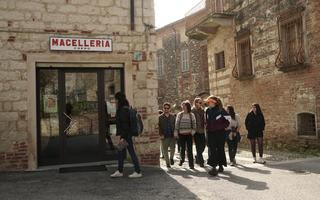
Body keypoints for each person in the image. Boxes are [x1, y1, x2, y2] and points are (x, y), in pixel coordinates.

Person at [110, 92, 142, 178]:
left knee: (131, 152)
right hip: (126, 135)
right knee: (120, 151)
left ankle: (137, 171)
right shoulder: (125, 108)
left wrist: (123, 137)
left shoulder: (123, 110)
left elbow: (125, 125)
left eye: (116, 99)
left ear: (119, 100)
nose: (115, 101)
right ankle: (120, 171)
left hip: (126, 135)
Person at [205, 96, 229, 176]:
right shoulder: (207, 111)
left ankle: (221, 165)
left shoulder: (221, 110)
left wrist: (221, 126)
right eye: (208, 102)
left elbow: (228, 121)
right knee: (212, 149)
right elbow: (207, 121)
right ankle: (214, 167)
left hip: (220, 133)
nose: (208, 103)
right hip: (211, 133)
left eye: (210, 102)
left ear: (214, 102)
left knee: (220, 149)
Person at [174, 100, 196, 169]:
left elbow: (194, 124)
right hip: (181, 134)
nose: (183, 107)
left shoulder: (191, 115)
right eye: (182, 106)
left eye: (184, 106)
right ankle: (182, 159)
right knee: (182, 148)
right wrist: (176, 132)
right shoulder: (179, 114)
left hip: (189, 134)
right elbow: (177, 124)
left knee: (190, 149)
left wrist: (193, 131)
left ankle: (191, 164)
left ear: (187, 107)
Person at [159, 102, 176, 168]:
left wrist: (175, 133)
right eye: (165, 108)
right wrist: (160, 134)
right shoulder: (160, 117)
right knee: (165, 150)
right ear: (163, 108)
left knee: (173, 149)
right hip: (164, 135)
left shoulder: (173, 117)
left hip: (172, 135)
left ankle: (171, 158)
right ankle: (167, 163)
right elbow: (159, 126)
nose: (166, 109)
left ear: (169, 109)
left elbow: (175, 125)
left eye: (167, 108)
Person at [191, 97, 206, 168]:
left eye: (201, 103)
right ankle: (201, 162)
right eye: (199, 102)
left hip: (202, 130)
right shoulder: (192, 111)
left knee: (203, 145)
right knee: (198, 146)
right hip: (196, 131)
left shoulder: (203, 110)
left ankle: (197, 156)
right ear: (195, 103)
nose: (200, 104)